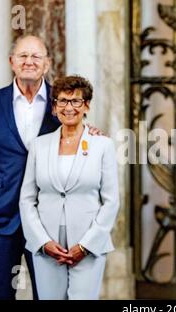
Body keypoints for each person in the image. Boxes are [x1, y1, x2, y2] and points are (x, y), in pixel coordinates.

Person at [0, 35, 102, 300]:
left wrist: (91, 134)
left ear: (47, 64)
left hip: (48, 224)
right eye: (23, 56)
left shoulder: (61, 104)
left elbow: (76, 138)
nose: (29, 62)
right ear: (12, 62)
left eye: (36, 56)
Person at [19, 75, 119, 300]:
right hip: (47, 245)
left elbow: (111, 201)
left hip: (88, 243)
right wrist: (42, 242)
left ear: (86, 106)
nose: (69, 107)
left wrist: (85, 246)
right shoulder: (39, 146)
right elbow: (27, 199)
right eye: (62, 101)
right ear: (54, 108)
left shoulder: (103, 145)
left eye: (75, 101)